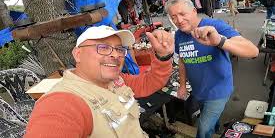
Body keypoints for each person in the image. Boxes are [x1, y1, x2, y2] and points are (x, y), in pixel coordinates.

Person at [24, 25, 174, 138]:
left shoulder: (116, 80)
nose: (115, 54)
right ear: (78, 54)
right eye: (103, 47)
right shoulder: (62, 103)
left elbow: (148, 83)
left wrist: (163, 57)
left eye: (119, 49)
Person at [165, 0, 259, 138]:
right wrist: (182, 85)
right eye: (174, 17)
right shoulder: (179, 35)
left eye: (182, 14)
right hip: (198, 90)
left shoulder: (214, 26)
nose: (178, 20)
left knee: (202, 129)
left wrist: (219, 41)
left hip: (218, 91)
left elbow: (253, 51)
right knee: (208, 121)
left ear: (194, 11)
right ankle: (216, 129)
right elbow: (183, 61)